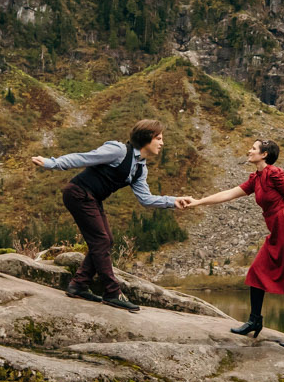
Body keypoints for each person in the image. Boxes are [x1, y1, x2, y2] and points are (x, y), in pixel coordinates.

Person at [32, 118, 189, 312]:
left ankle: (79, 284)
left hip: (92, 198)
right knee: (101, 241)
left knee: (107, 240)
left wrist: (172, 201)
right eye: (159, 138)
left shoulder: (140, 168)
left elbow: (145, 199)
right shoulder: (118, 151)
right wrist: (51, 163)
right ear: (147, 138)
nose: (162, 143)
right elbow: (84, 158)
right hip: (78, 193)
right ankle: (112, 293)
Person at [190, 138, 284, 347]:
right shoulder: (256, 179)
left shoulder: (275, 173)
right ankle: (254, 321)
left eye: (253, 148)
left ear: (264, 154)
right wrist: (198, 202)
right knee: (256, 272)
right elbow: (229, 194)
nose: (249, 151)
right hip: (277, 230)